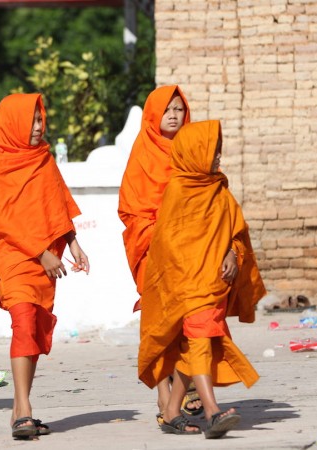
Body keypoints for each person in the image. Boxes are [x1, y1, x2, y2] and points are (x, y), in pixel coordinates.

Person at [137, 120, 265, 439]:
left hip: (214, 283)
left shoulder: (219, 189)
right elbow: (168, 245)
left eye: (218, 150)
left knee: (195, 344)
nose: (218, 156)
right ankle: (212, 411)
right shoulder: (178, 190)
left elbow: (236, 233)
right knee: (199, 338)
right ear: (195, 153)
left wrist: (233, 255)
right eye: (212, 150)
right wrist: (182, 280)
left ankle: (171, 411)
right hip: (187, 285)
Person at [0, 93, 89, 439]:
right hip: (11, 253)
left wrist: (73, 244)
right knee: (24, 319)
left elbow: (56, 203)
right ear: (13, 122)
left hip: (47, 259)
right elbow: (4, 218)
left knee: (36, 327)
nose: (37, 127)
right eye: (31, 121)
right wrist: (41, 251)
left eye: (40, 120)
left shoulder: (43, 158)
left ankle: (19, 406)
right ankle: (24, 409)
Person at [117, 85, 203, 423]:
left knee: (191, 320)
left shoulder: (192, 150)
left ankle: (189, 385)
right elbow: (130, 209)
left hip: (190, 251)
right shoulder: (142, 154)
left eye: (179, 110)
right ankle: (165, 398)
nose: (173, 115)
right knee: (160, 323)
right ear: (153, 114)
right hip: (152, 250)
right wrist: (158, 236)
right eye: (167, 110)